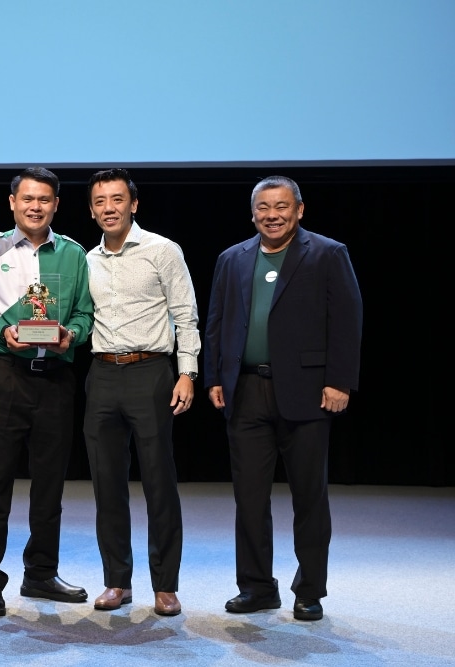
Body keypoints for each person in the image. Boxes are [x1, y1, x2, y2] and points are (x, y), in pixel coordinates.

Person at [203, 175, 362, 622]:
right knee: (250, 497)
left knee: (309, 496)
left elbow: (347, 321)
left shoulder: (328, 254)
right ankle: (256, 587)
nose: (272, 215)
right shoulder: (232, 258)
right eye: (264, 208)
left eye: (282, 207)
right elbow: (216, 321)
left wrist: (340, 382)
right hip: (246, 390)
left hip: (309, 393)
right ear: (253, 213)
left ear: (299, 210)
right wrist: (215, 375)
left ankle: (309, 590)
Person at [0, 167, 94, 617]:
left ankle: (41, 574)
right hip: (2, 375)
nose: (36, 206)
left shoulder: (73, 254)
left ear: (56, 205)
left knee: (50, 484)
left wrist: (71, 334)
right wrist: (1, 330)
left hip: (55, 379)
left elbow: (85, 315)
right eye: (28, 198)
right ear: (12, 202)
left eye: (45, 199)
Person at [82, 168, 200, 617]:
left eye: (116, 200)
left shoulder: (162, 250)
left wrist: (186, 372)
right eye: (99, 202)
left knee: (159, 482)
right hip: (101, 374)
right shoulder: (85, 260)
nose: (108, 208)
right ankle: (117, 582)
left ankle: (165, 585)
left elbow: (185, 315)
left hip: (151, 372)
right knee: (106, 484)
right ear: (91, 210)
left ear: (134, 204)